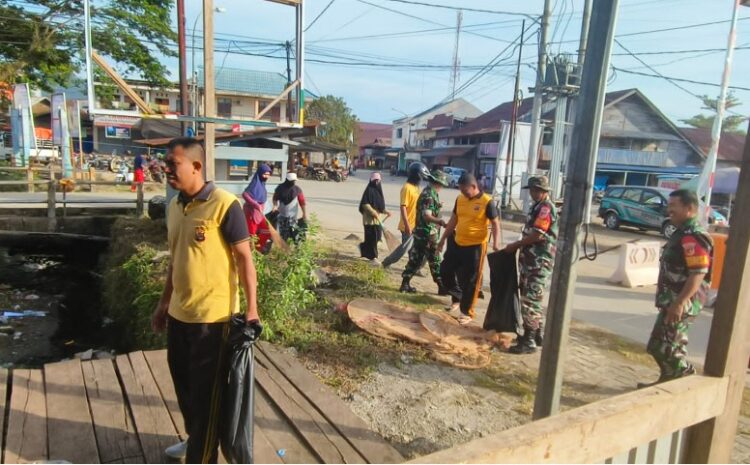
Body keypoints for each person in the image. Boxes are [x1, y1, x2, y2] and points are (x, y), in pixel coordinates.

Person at [151, 137, 260, 463]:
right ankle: (196, 438)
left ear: (197, 166)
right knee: (184, 386)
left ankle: (202, 455)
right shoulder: (174, 206)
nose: (166, 168)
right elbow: (176, 260)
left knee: (208, 396)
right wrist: (162, 304)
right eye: (166, 162)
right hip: (180, 315)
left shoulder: (226, 205)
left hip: (214, 321)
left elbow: (244, 260)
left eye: (173, 163)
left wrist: (252, 309)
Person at [638, 189, 713, 388]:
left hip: (683, 302)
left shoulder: (693, 236)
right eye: (669, 205)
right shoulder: (681, 233)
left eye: (673, 206)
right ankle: (668, 379)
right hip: (672, 300)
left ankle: (685, 382)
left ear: (689, 209)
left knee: (670, 348)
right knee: (657, 346)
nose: (669, 210)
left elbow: (698, 272)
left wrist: (680, 302)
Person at [503, 176, 558, 354]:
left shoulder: (545, 208)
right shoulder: (538, 206)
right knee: (533, 298)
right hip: (531, 261)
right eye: (532, 190)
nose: (533, 193)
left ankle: (529, 342)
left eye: (535, 190)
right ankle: (536, 335)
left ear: (543, 191)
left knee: (531, 300)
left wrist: (516, 245)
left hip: (538, 261)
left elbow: (537, 235)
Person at [438, 174, 501, 325]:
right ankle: (458, 295)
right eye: (461, 191)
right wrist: (442, 240)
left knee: (471, 280)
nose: (463, 193)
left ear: (474, 187)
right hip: (458, 242)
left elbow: (496, 224)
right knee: (444, 270)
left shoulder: (487, 202)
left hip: (476, 246)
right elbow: (454, 220)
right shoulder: (460, 199)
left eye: (465, 191)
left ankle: (467, 312)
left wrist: (496, 244)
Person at [400, 169, 449, 294]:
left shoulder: (429, 193)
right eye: (441, 185)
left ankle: (405, 284)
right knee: (434, 259)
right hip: (428, 234)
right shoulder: (429, 195)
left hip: (422, 232)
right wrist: (440, 221)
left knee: (416, 258)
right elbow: (427, 216)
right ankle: (441, 286)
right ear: (437, 183)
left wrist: (437, 207)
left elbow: (427, 209)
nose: (441, 188)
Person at [382, 162, 429, 268]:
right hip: (407, 225)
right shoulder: (407, 188)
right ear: (417, 175)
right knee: (404, 249)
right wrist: (407, 226)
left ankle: (414, 268)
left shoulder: (416, 188)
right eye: (421, 176)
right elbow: (403, 207)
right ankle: (387, 262)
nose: (422, 179)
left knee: (417, 250)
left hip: (416, 225)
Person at [359, 172, 390, 263]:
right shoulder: (368, 190)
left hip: (377, 221)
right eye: (375, 180)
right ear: (372, 181)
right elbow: (365, 204)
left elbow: (380, 206)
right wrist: (373, 212)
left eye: (378, 181)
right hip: (369, 221)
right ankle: (374, 258)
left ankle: (363, 248)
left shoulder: (379, 192)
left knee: (377, 238)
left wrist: (386, 211)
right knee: (371, 239)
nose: (376, 182)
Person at [242, 164, 272, 251]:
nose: (266, 176)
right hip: (251, 214)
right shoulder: (254, 184)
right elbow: (245, 194)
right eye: (265, 174)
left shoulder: (262, 185)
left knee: (266, 231)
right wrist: (255, 204)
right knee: (252, 234)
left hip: (260, 214)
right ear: (260, 173)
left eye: (268, 174)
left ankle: (258, 248)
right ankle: (250, 251)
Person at [273, 172, 307, 243]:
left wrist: (304, 213)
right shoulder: (280, 188)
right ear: (287, 180)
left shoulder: (297, 190)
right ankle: (284, 247)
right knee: (283, 232)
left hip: (293, 216)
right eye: (292, 181)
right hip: (282, 214)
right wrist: (275, 206)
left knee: (293, 231)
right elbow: (275, 198)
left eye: (294, 181)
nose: (293, 182)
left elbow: (302, 202)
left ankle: (294, 245)